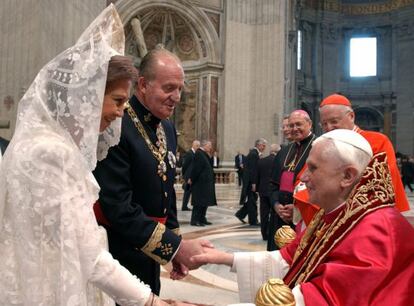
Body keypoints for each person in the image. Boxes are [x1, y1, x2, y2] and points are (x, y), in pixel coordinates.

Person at [0, 6, 195, 306]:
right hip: (47, 286)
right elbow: (89, 255)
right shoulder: (52, 153)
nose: (120, 112)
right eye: (117, 101)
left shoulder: (42, 143)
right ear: (86, 96)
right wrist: (151, 302)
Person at [191, 129, 414, 306]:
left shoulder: (376, 231)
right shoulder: (337, 213)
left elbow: (320, 300)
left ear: (348, 176)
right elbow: (289, 259)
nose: (303, 178)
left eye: (313, 168)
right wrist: (219, 257)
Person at [93, 46, 211, 295]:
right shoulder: (117, 123)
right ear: (144, 84)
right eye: (169, 88)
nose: (177, 97)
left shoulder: (167, 127)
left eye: (180, 88)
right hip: (118, 252)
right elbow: (117, 206)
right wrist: (176, 247)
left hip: (150, 251)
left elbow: (165, 194)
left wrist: (171, 252)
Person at [267, 110, 315, 251]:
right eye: (291, 125)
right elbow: (273, 184)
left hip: (304, 215)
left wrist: (297, 208)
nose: (294, 129)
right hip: (280, 215)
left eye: (298, 124)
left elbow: (321, 186)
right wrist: (276, 205)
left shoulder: (319, 147)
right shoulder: (284, 151)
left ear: (309, 124)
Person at [235, 138, 267, 225]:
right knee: (252, 201)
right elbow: (253, 170)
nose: (264, 147)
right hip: (250, 182)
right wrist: (254, 183)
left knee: (252, 200)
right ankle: (253, 221)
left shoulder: (254, 153)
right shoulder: (253, 154)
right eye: (263, 145)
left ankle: (240, 214)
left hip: (250, 181)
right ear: (258, 145)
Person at [190, 140, 217, 226]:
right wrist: (192, 179)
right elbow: (196, 169)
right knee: (199, 203)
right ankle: (195, 220)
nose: (210, 148)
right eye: (209, 146)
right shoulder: (199, 153)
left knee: (205, 203)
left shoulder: (204, 154)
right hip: (200, 184)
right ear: (204, 145)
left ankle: (202, 218)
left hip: (205, 184)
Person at [257, 143, 280, 240]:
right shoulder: (278, 161)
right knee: (274, 213)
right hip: (274, 191)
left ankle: (264, 234)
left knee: (264, 213)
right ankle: (272, 234)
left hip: (262, 190)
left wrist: (258, 188)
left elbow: (257, 176)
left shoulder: (261, 161)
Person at [181, 140, 200, 211]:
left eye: (199, 146)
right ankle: (184, 206)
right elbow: (185, 165)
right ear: (193, 145)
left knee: (190, 192)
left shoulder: (195, 154)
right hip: (188, 177)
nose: (198, 147)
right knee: (187, 192)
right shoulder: (189, 153)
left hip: (192, 177)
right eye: (197, 146)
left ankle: (186, 206)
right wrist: (185, 177)